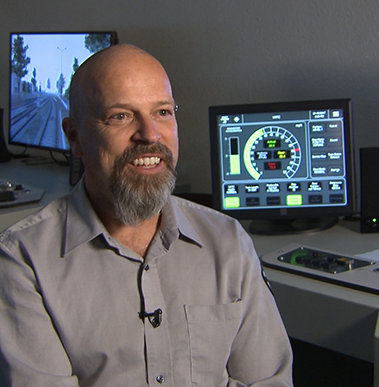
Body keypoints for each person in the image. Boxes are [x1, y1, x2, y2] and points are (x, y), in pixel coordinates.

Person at [0, 44, 293, 386]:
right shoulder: (22, 261)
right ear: (75, 137)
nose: (150, 135)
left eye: (163, 112)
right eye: (120, 116)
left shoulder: (228, 241)